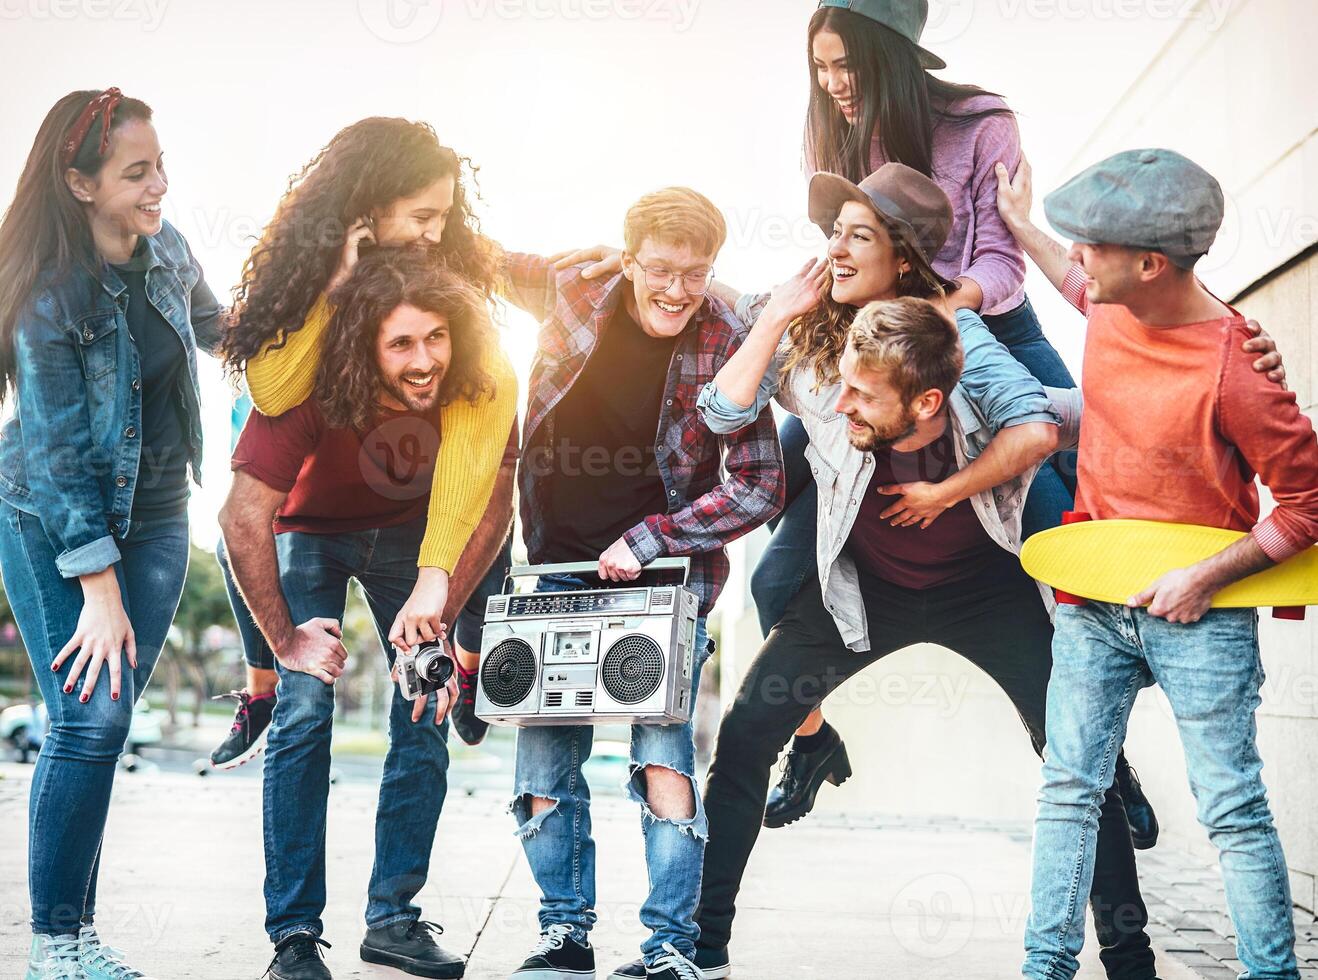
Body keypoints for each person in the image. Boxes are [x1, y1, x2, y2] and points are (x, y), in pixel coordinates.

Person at [686, 163, 1157, 980]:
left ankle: (1131, 958)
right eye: (833, 231)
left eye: (857, 234)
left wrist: (945, 490)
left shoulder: (958, 342)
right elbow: (723, 410)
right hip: (859, 589)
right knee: (743, 734)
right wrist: (780, 316)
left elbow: (1044, 424)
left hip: (986, 589)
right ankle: (703, 949)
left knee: (1079, 758)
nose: (834, 246)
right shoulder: (821, 349)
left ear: (903, 259)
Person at [998, 151, 1318, 980]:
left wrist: (1205, 579)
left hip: (1199, 613)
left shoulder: (1237, 366)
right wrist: (1017, 219)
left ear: (1150, 263)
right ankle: (1045, 970)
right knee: (1068, 792)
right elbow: (1066, 283)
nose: (1077, 258)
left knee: (1234, 810)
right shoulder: (1111, 304)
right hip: (1094, 600)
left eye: (1090, 245)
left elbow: (1310, 505)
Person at [497, 187, 784, 980]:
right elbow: (474, 259)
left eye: (696, 273)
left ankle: (668, 949)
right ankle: (565, 937)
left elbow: (760, 484)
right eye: (660, 268)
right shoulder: (571, 288)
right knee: (544, 771)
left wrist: (656, 535)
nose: (676, 289)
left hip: (663, 584)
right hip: (552, 574)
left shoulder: (729, 338)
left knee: (664, 761)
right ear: (627, 261)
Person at [217, 247, 514, 980]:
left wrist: (438, 607)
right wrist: (283, 639)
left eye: (437, 337)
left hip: (417, 542)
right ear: (366, 347)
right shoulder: (311, 391)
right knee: (306, 707)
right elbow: (239, 519)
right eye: (403, 343)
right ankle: (292, 935)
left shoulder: (481, 386)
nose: (425, 360)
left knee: (425, 702)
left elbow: (492, 508)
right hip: (309, 533)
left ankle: (393, 919)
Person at [208, 117, 517, 767]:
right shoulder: (307, 263)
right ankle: (260, 688)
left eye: (445, 215)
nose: (436, 232)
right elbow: (274, 390)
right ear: (371, 212)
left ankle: (467, 668)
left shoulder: (449, 267)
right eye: (423, 216)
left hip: (414, 500)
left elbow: (479, 434)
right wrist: (336, 285)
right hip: (311, 493)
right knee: (241, 543)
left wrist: (604, 278)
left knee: (492, 548)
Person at [0, 88, 223, 980]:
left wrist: (317, 287)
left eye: (160, 163)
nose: (159, 184)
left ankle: (81, 937)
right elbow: (56, 458)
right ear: (80, 182)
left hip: (162, 515)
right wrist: (97, 590)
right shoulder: (48, 298)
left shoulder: (164, 246)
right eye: (138, 172)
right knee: (87, 721)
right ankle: (57, 946)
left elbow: (219, 329)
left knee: (108, 720)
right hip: (50, 517)